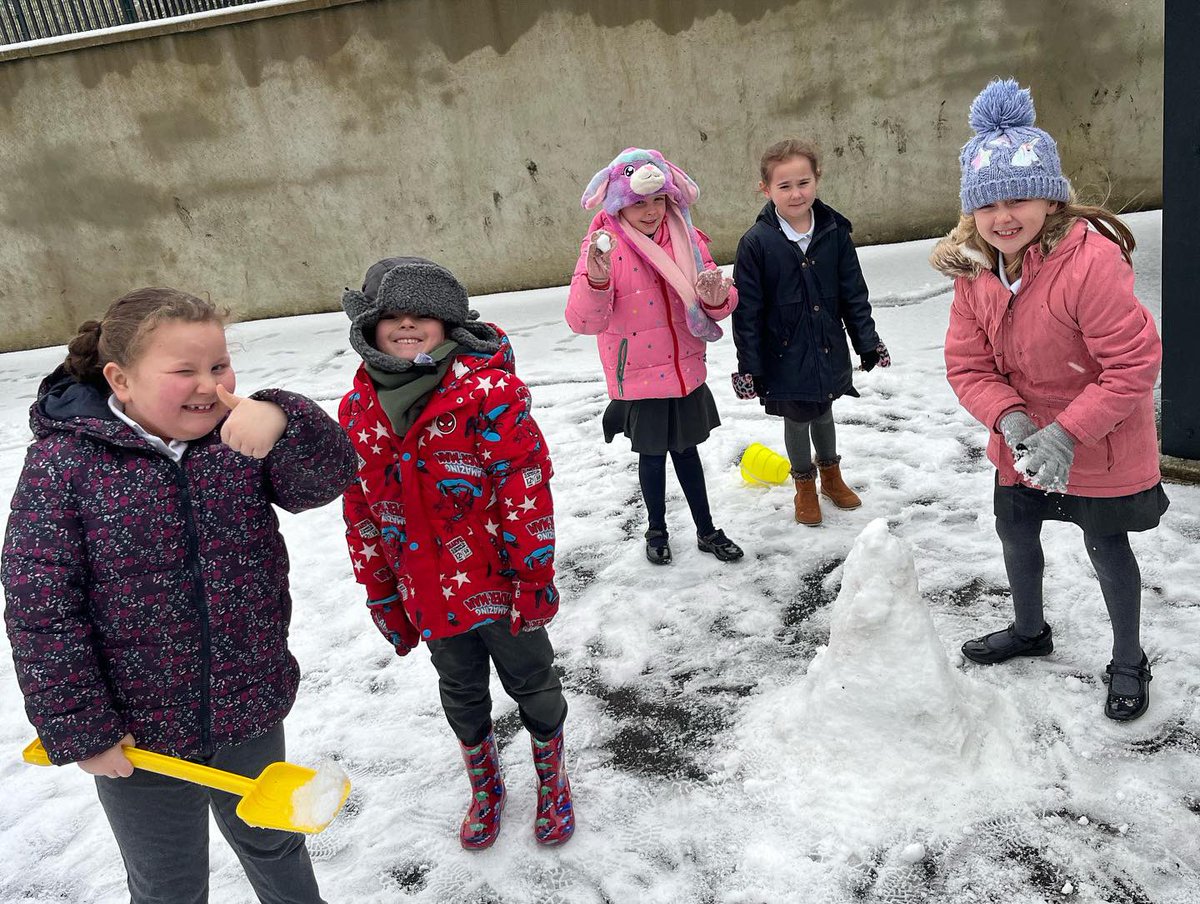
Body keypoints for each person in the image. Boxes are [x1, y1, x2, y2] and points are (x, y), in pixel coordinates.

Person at [2, 287, 356, 904]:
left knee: (274, 843)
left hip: (247, 702)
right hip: (137, 734)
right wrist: (84, 728)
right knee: (168, 883)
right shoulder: (64, 466)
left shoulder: (236, 442)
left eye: (219, 365)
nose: (208, 385)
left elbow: (327, 479)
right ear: (120, 380)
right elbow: (42, 609)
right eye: (184, 370)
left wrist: (285, 417)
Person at [933, 79, 1167, 721]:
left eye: (1018, 198)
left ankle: (1129, 659)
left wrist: (1066, 433)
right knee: (1016, 530)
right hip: (1021, 442)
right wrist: (1010, 419)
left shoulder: (1090, 263)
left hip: (1101, 439)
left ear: (1050, 198)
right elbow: (968, 364)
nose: (1003, 217)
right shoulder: (976, 272)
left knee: (1107, 548)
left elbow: (1133, 364)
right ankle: (1030, 630)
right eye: (988, 204)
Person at [339, 257, 573, 849]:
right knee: (460, 688)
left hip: (499, 580)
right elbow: (360, 507)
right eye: (392, 316)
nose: (407, 325)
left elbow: (525, 488)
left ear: (447, 323)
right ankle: (485, 784)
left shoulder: (488, 391)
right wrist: (381, 591)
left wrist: (533, 577)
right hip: (425, 587)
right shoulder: (358, 410)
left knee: (532, 679)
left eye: (422, 314)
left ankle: (552, 779)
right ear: (369, 327)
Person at [567, 147, 744, 565]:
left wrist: (717, 298)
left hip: (684, 369)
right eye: (639, 203)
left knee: (687, 453)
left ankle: (706, 529)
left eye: (658, 200)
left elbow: (716, 299)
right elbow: (583, 320)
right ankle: (656, 529)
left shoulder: (687, 236)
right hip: (640, 374)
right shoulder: (603, 247)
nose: (651, 211)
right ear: (618, 203)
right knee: (651, 457)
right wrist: (596, 279)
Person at [731, 138, 891, 526]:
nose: (796, 194)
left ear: (817, 178)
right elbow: (747, 312)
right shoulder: (756, 244)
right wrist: (749, 367)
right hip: (782, 353)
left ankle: (831, 478)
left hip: (826, 344)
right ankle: (804, 485)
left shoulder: (834, 232)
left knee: (824, 410)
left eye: (803, 183)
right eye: (784, 186)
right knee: (798, 417)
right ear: (765, 189)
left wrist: (866, 341)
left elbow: (853, 292)